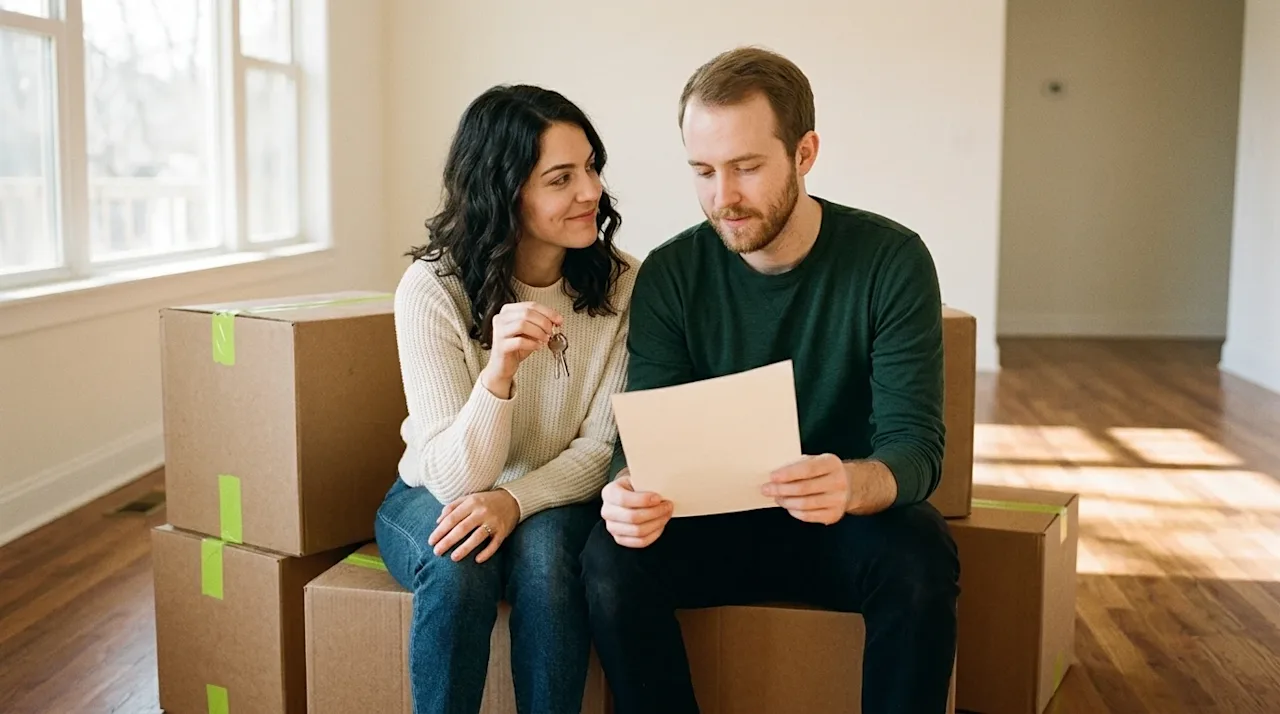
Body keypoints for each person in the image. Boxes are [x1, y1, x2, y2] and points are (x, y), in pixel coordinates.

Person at [579, 47, 960, 713]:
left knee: (922, 554)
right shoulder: (672, 272)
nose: (722, 197)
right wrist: (624, 488)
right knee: (609, 559)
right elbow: (647, 433)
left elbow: (917, 446)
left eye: (747, 168)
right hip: (713, 523)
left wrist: (855, 482)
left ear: (805, 153)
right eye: (702, 171)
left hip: (839, 523)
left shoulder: (891, 259)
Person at [375, 84, 637, 714]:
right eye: (561, 178)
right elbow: (453, 476)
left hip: (552, 491)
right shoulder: (431, 288)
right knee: (458, 563)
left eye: (592, 168)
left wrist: (514, 501)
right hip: (434, 489)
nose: (590, 192)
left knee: (549, 568)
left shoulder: (626, 284)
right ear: (505, 189)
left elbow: (600, 451)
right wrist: (498, 375)